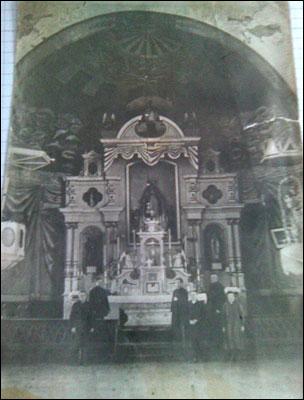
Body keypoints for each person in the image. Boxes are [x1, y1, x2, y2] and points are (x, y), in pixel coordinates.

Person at [70, 291, 93, 364]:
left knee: (85, 345)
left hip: (86, 326)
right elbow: (72, 317)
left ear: (86, 297)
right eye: (81, 296)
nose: (82, 297)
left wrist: (92, 326)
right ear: (79, 297)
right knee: (76, 344)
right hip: (78, 326)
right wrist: (73, 326)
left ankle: (85, 361)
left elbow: (92, 317)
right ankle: (74, 361)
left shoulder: (89, 305)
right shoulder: (75, 305)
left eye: (84, 296)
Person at [222, 291, 245, 361]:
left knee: (237, 337)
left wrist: (242, 325)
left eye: (231, 297)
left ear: (234, 297)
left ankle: (238, 354)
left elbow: (241, 315)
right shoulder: (225, 305)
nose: (230, 298)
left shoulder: (238, 304)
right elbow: (223, 316)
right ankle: (232, 353)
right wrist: (223, 326)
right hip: (229, 324)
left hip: (237, 323)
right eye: (229, 297)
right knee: (230, 338)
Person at [207, 273, 226, 356]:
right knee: (213, 326)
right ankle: (215, 343)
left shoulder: (220, 286)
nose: (212, 279)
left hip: (217, 309)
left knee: (218, 326)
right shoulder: (211, 286)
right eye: (211, 278)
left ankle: (220, 343)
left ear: (217, 278)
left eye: (213, 278)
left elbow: (221, 298)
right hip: (212, 310)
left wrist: (218, 308)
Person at [187, 292, 209, 362]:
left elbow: (204, 314)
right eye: (191, 295)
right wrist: (189, 321)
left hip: (199, 326)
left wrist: (197, 320)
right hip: (191, 327)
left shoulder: (200, 304)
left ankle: (202, 357)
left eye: (194, 295)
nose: (193, 296)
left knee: (201, 342)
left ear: (197, 296)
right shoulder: (188, 304)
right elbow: (185, 314)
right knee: (193, 342)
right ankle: (195, 357)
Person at [171, 278, 189, 346]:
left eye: (178, 283)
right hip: (175, 312)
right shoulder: (174, 291)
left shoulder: (184, 291)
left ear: (181, 283)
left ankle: (183, 340)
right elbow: (173, 301)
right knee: (175, 326)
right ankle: (176, 339)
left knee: (182, 326)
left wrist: (177, 300)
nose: (177, 284)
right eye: (176, 283)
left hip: (182, 312)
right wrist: (172, 309)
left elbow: (184, 301)